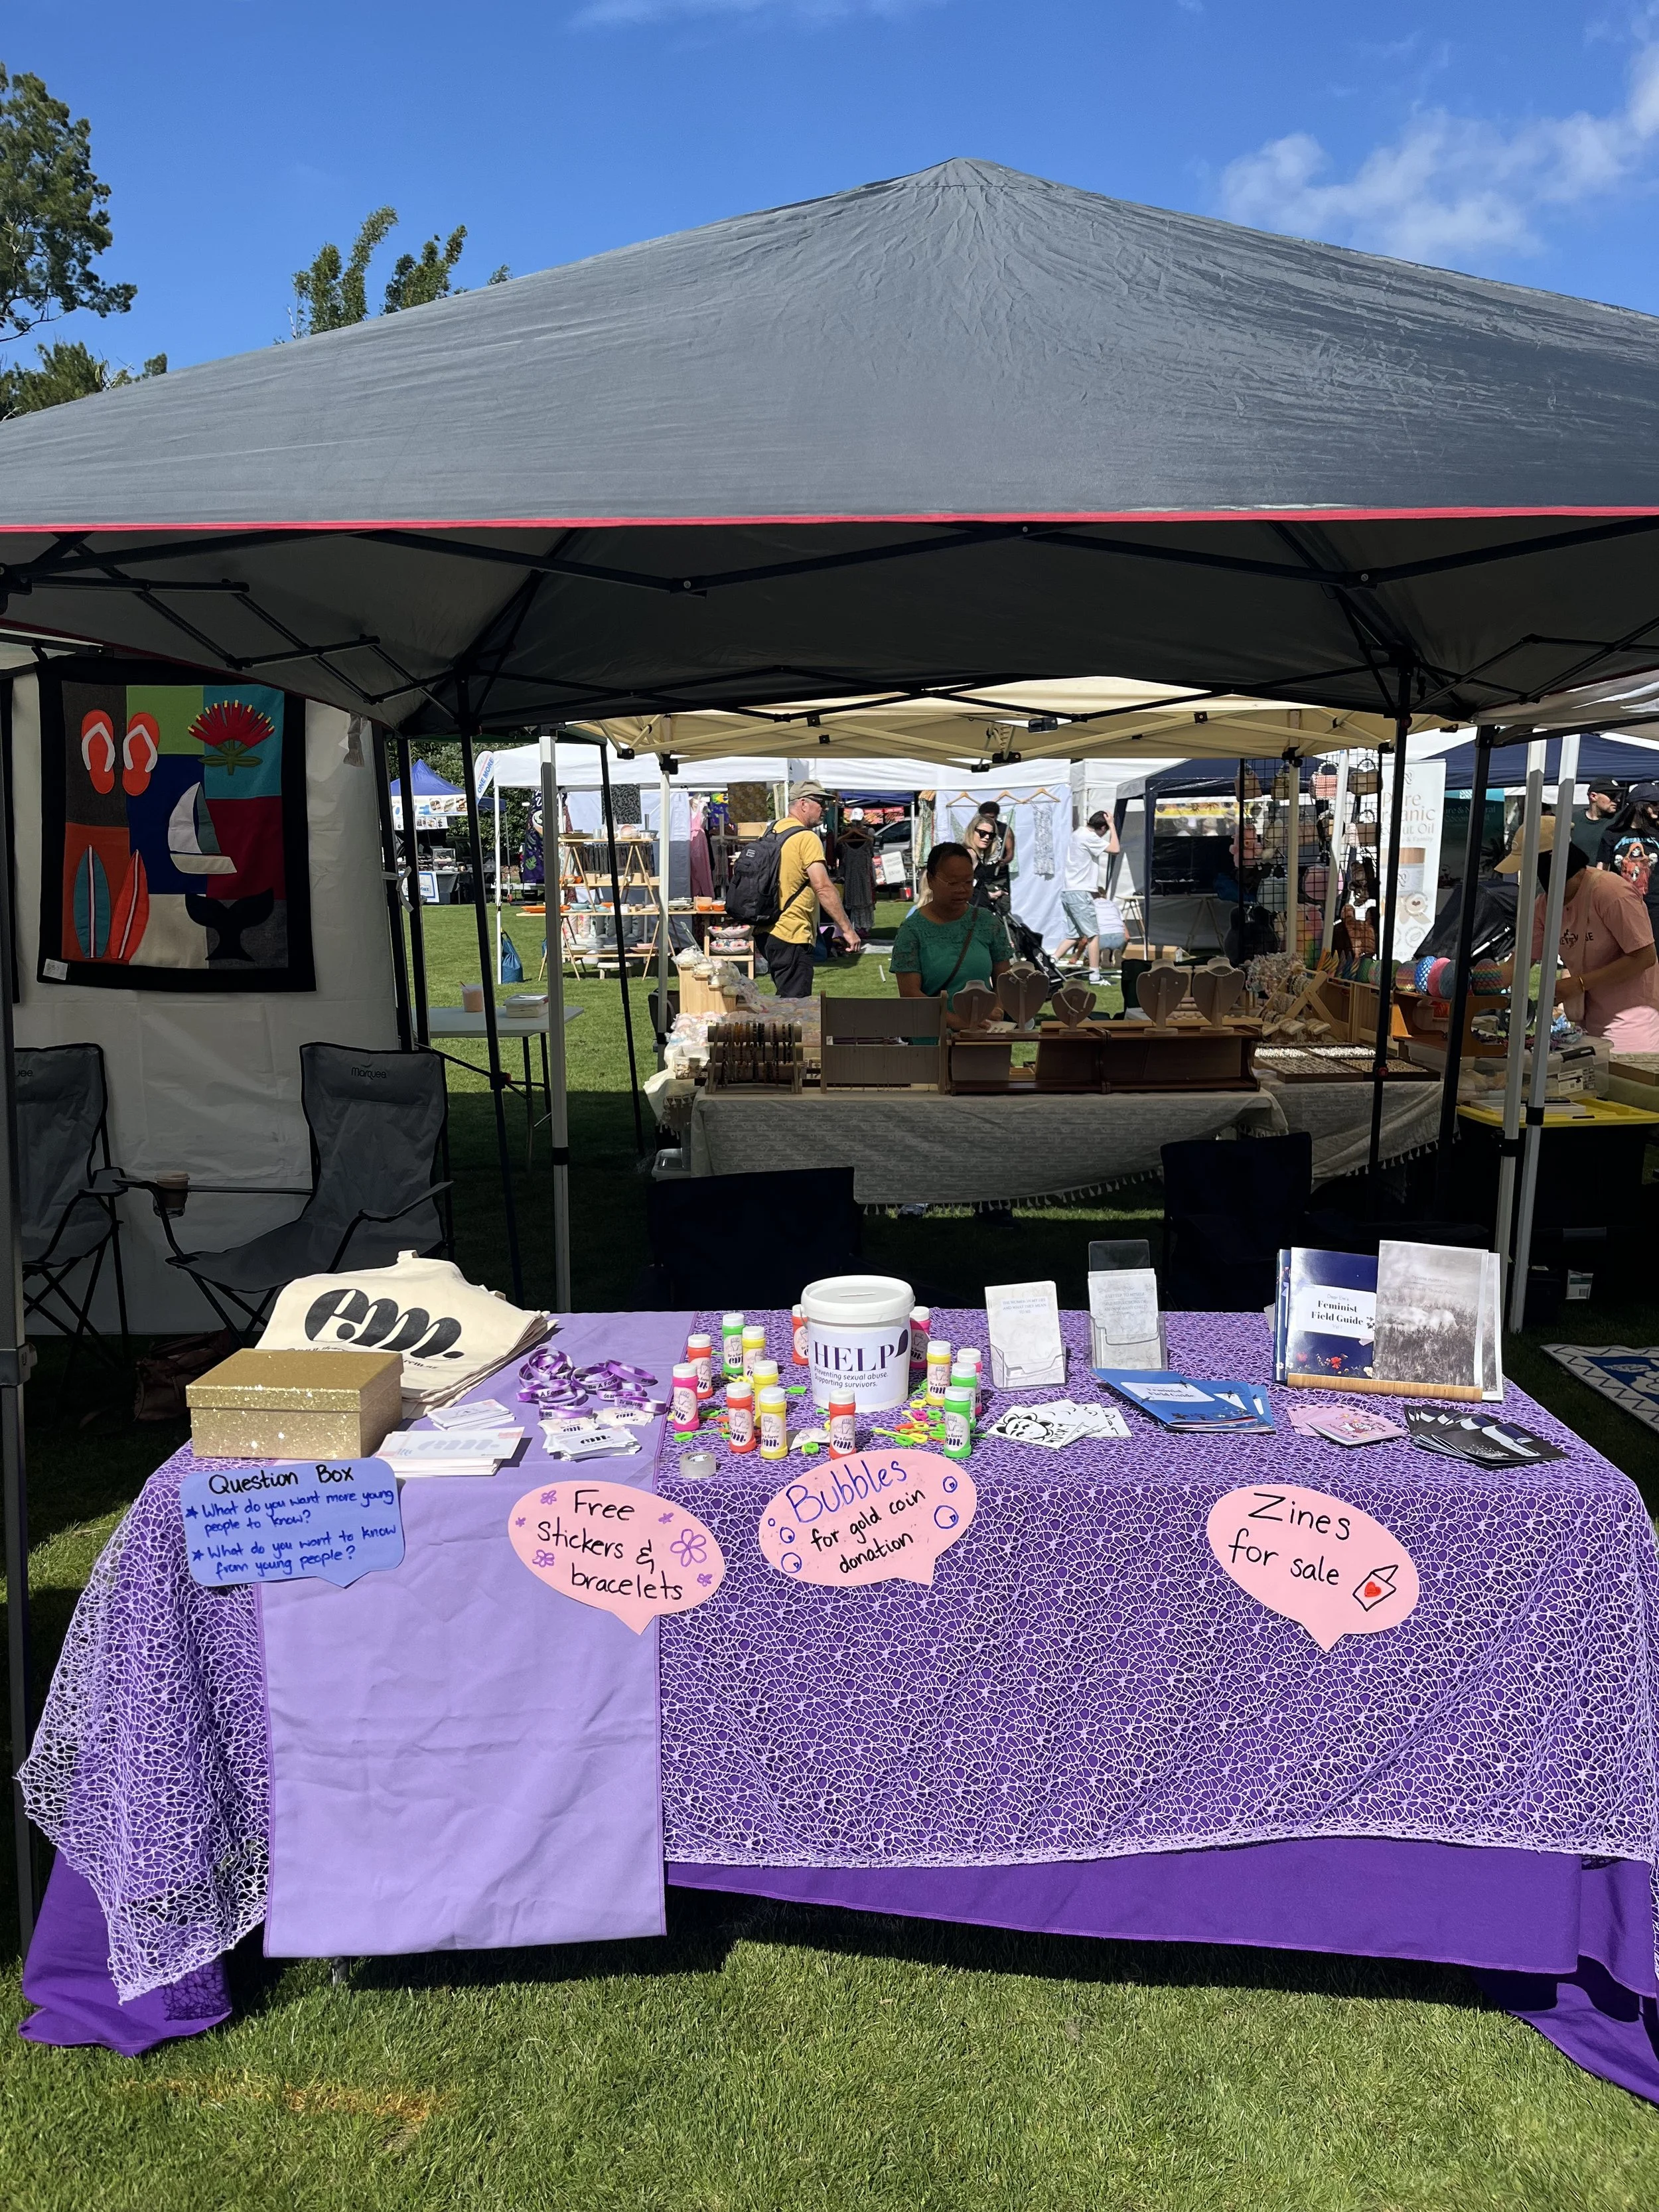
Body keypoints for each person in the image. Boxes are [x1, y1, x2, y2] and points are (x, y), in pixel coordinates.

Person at [1496, 816, 1659, 1050]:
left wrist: (1579, 984)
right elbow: (1519, 964)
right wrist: (1477, 982)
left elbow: (1644, 956)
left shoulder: (1611, 893)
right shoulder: (1543, 907)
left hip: (1631, 1020)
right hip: (1586, 1020)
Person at [756, 780, 861, 999]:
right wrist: (847, 929)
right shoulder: (806, 837)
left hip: (767, 931)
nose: (824, 809)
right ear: (803, 804)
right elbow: (823, 887)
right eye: (820, 802)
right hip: (792, 933)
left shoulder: (772, 831)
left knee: (786, 1001)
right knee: (796, 1009)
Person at [891, 843, 1013, 1028]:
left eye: (967, 882)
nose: (962, 890)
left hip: (984, 1038)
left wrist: (998, 1007)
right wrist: (957, 1022)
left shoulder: (988, 923)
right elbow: (910, 995)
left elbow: (1004, 980)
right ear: (931, 880)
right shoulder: (912, 931)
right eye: (953, 883)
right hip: (932, 1040)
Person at [1056, 809, 1119, 982]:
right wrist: (1113, 826)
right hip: (1080, 892)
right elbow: (1115, 849)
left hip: (1068, 890)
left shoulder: (1078, 833)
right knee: (1093, 936)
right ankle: (1095, 975)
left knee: (1073, 935)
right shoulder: (1089, 837)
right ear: (1102, 828)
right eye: (1105, 830)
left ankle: (1050, 963)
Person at [966, 804, 1015, 915]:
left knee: (1004, 912)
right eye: (983, 834)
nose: (987, 838)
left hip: (999, 878)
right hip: (982, 880)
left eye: (991, 835)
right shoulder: (969, 853)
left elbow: (1010, 853)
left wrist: (1004, 861)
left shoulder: (1005, 830)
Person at [1573, 776, 1625, 861]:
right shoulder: (1573, 820)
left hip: (1607, 874)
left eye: (1619, 795)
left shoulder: (1620, 820)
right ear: (1593, 796)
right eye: (1613, 796)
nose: (1618, 800)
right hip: (1577, 874)